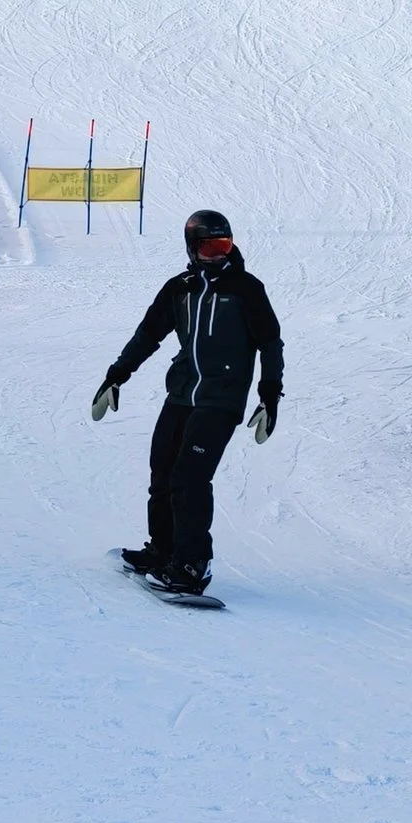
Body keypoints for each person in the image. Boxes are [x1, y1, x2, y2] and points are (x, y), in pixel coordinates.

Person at [90, 210, 284, 598]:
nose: (217, 255)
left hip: (221, 400)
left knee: (190, 479)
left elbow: (270, 343)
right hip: (182, 393)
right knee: (162, 473)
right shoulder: (180, 288)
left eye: (224, 246)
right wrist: (116, 375)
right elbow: (148, 334)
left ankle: (193, 564)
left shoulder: (246, 289)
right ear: (192, 248)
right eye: (209, 248)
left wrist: (269, 395)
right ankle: (164, 551)